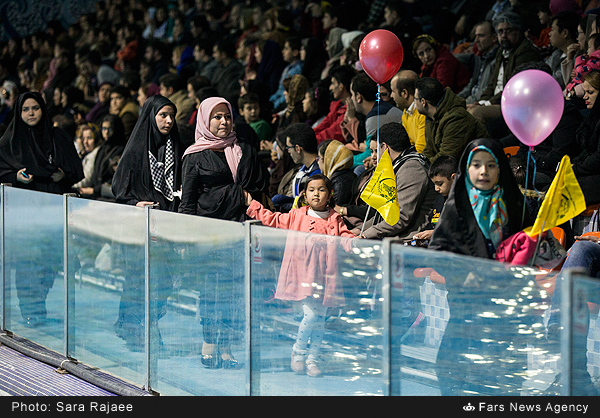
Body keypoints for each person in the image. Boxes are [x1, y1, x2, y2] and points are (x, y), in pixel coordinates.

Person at [428, 138, 532, 395]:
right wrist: (465, 274)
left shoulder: (516, 205)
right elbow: (437, 250)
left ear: (500, 169)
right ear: (467, 169)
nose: (483, 171)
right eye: (476, 165)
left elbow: (533, 244)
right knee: (454, 371)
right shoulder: (456, 207)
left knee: (501, 378)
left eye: (491, 165)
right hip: (467, 306)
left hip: (505, 308)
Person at [178, 97, 269, 368]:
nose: (223, 122)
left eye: (226, 116)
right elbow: (189, 201)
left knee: (234, 291)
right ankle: (208, 342)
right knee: (210, 289)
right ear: (205, 120)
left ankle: (227, 346)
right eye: (216, 117)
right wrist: (186, 237)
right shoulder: (194, 155)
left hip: (241, 231)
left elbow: (261, 188)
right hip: (209, 233)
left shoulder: (245, 149)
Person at [244, 174, 356, 377]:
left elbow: (345, 236)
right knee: (311, 315)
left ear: (329, 195)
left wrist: (356, 242)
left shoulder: (334, 218)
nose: (316, 194)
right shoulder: (297, 215)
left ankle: (312, 359)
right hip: (302, 275)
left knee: (320, 319)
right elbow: (274, 219)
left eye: (321, 190)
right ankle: (298, 351)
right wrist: (252, 205)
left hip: (325, 276)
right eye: (312, 190)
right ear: (304, 194)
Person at [0, 92, 84, 326]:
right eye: (25, 109)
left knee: (51, 262)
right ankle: (29, 311)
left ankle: (39, 305)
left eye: (35, 108)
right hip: (24, 211)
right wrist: (14, 175)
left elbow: (75, 170)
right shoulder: (10, 141)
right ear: (19, 112)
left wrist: (63, 174)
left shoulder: (57, 137)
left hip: (53, 206)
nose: (30, 113)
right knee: (27, 262)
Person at [111, 95, 183, 351]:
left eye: (171, 115)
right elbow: (119, 191)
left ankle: (144, 326)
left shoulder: (177, 147)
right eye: (163, 115)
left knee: (163, 282)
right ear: (150, 117)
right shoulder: (135, 151)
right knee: (138, 280)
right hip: (139, 228)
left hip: (166, 228)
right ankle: (138, 331)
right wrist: (136, 204)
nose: (168, 120)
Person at [356, 122, 437, 241]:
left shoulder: (412, 168)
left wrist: (366, 235)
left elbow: (400, 218)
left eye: (377, 150)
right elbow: (384, 215)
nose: (374, 156)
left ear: (385, 146)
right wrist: (359, 230)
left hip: (408, 239)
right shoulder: (400, 165)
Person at [468, 12, 542, 127]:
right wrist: (481, 102)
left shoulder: (526, 52)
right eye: (500, 32)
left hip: (514, 105)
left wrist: (485, 104)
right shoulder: (501, 51)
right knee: (463, 110)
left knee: (476, 113)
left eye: (509, 31)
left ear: (518, 31)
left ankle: (484, 144)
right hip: (497, 102)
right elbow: (492, 85)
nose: (503, 35)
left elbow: (513, 90)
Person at [415, 77, 489, 164]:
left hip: (480, 166)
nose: (414, 103)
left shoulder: (456, 118)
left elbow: (447, 158)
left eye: (415, 99)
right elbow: (429, 150)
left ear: (423, 102)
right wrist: (418, 163)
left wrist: (420, 165)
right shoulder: (431, 117)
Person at [345, 71, 403, 169]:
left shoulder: (375, 116)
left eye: (352, 94)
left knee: (359, 169)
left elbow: (369, 155)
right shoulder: (380, 108)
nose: (351, 98)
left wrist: (342, 161)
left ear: (358, 97)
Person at [412, 155, 457, 244]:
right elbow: (432, 223)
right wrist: (422, 234)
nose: (436, 188)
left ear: (454, 178)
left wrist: (435, 233)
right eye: (434, 184)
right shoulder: (439, 199)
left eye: (440, 184)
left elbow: (460, 232)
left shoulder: (463, 201)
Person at [571, 70, 600, 204]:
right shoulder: (592, 118)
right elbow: (587, 151)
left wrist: (576, 168)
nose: (584, 97)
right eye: (585, 92)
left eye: (590, 92)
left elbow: (599, 157)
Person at [457, 20, 499, 104]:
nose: (476, 40)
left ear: (494, 38)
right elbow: (471, 86)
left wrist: (463, 103)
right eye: (476, 36)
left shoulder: (497, 60)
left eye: (481, 36)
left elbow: (485, 91)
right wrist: (456, 99)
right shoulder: (481, 58)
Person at [314, 65, 355, 144]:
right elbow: (323, 125)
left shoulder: (351, 109)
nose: (330, 88)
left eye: (332, 83)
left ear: (341, 86)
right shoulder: (337, 106)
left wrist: (310, 140)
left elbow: (333, 134)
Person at [390, 70, 427, 153]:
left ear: (404, 93)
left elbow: (421, 148)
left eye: (393, 91)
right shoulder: (405, 113)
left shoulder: (423, 113)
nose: (391, 96)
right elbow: (408, 144)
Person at [545, 10, 581, 90]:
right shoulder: (556, 53)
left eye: (553, 29)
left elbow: (553, 82)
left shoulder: (578, 58)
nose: (549, 33)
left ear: (565, 33)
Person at [316, 139, 356, 206]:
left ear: (328, 160)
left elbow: (334, 208)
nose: (317, 162)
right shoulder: (339, 176)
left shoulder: (340, 181)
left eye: (319, 158)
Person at [73, 123, 102, 191]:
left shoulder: (94, 155)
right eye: (83, 138)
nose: (85, 142)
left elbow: (86, 180)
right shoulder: (87, 154)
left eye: (89, 138)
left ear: (96, 139)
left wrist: (70, 185)